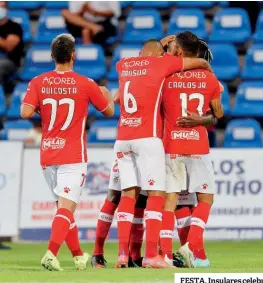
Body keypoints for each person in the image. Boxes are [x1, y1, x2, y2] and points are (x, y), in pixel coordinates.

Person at [113, 39, 211, 268]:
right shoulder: (162, 64)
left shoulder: (122, 64)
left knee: (128, 196)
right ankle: (151, 256)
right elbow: (196, 62)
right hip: (148, 139)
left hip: (122, 139)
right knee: (157, 195)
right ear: (159, 54)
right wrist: (206, 68)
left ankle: (122, 254)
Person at [20, 33, 115, 271]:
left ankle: (78, 255)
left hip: (48, 154)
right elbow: (109, 112)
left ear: (52, 56)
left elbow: (25, 113)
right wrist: (106, 94)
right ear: (74, 56)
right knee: (65, 208)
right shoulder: (86, 83)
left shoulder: (38, 81)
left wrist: (42, 106)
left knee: (63, 208)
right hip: (73, 155)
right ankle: (51, 254)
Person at [160, 31, 223, 268]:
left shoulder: (165, 76)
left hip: (172, 145)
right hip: (198, 145)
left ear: (178, 52)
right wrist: (201, 119)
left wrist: (161, 46)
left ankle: (166, 254)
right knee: (205, 199)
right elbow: (218, 113)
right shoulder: (210, 79)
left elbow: (151, 63)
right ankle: (191, 247)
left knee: (171, 200)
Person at [0, 1, 24, 88]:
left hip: (10, 62)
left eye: (1, 7)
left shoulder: (14, 27)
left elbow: (9, 46)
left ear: (6, 9)